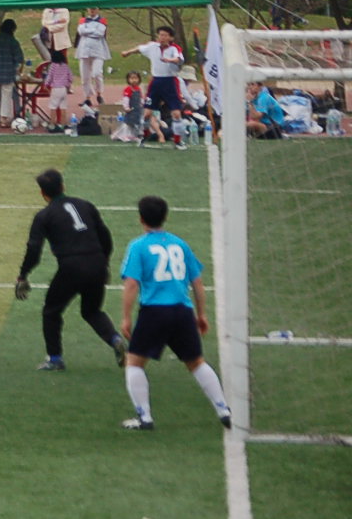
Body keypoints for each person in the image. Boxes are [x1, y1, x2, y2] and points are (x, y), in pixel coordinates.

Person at [118, 195, 232, 431]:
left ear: (141, 219)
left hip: (154, 313)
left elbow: (131, 284)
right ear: (165, 217)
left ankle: (144, 417)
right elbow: (198, 283)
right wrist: (201, 315)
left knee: (134, 362)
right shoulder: (180, 244)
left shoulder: (138, 246)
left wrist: (126, 317)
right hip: (182, 311)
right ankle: (223, 409)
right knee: (196, 363)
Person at [14, 169, 128, 371]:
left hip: (72, 267)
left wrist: (23, 274)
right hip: (97, 263)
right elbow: (105, 236)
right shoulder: (85, 205)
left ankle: (55, 359)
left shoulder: (44, 216)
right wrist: (105, 262)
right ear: (63, 186)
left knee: (51, 311)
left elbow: (34, 249)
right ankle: (115, 339)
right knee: (92, 311)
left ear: (42, 193)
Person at [121, 26, 186, 148]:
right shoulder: (152, 47)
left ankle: (178, 141)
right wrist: (128, 52)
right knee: (146, 114)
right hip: (156, 82)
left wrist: (170, 60)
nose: (162, 38)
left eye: (165, 35)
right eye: (160, 35)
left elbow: (179, 59)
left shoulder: (174, 48)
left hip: (170, 82)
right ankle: (143, 137)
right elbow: (140, 49)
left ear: (170, 37)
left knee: (176, 114)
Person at [0, 18, 25, 128]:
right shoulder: (14, 42)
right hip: (8, 72)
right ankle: (3, 119)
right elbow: (19, 59)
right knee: (6, 96)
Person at [75, 7, 110, 105]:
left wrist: (88, 31)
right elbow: (81, 31)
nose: (92, 11)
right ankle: (87, 96)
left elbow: (100, 33)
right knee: (85, 76)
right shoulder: (82, 20)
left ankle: (99, 93)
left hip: (98, 50)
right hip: (84, 50)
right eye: (90, 9)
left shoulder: (102, 20)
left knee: (97, 73)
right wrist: (93, 30)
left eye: (94, 9)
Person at [42, 49, 72, 132]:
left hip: (55, 88)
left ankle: (52, 124)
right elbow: (70, 77)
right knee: (63, 108)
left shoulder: (53, 66)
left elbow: (49, 77)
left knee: (53, 107)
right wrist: (68, 87)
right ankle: (63, 125)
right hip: (63, 88)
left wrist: (46, 85)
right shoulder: (66, 66)